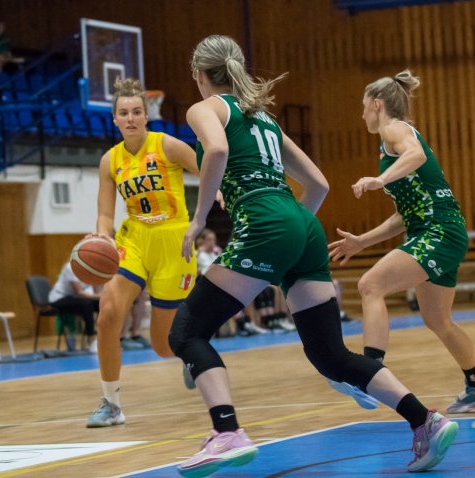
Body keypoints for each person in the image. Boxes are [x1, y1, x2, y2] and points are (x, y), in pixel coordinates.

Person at [168, 35, 458, 476]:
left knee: (188, 331)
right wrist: (293, 232)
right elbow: (319, 184)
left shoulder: (204, 108)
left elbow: (219, 150)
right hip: (304, 226)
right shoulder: (263, 118)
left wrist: (198, 217)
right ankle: (425, 421)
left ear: (198, 74)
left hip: (267, 222)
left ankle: (226, 432)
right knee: (329, 354)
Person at [328, 70, 475, 414]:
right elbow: (403, 215)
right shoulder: (395, 139)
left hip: (437, 230)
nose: (362, 114)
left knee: (369, 285)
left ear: (377, 105)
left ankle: (368, 373)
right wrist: (362, 241)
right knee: (437, 319)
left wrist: (380, 179)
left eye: (364, 107)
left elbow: (417, 156)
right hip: (439, 229)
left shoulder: (395, 130)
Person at [86, 78, 199, 427]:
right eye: (124, 113)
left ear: (146, 116)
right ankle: (111, 404)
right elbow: (105, 214)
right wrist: (102, 237)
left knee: (163, 347)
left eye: (137, 111)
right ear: (115, 119)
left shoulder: (168, 145)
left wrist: (220, 195)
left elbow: (210, 170)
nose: (131, 117)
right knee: (107, 314)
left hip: (174, 244)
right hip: (133, 240)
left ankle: (191, 351)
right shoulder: (110, 160)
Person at [48, 261, 100, 352]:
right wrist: (100, 296)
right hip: (59, 298)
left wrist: (101, 297)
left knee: (102, 304)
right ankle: (91, 340)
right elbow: (79, 293)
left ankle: (103, 337)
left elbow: (94, 292)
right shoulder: (71, 267)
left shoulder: (92, 269)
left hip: (74, 298)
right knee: (86, 305)